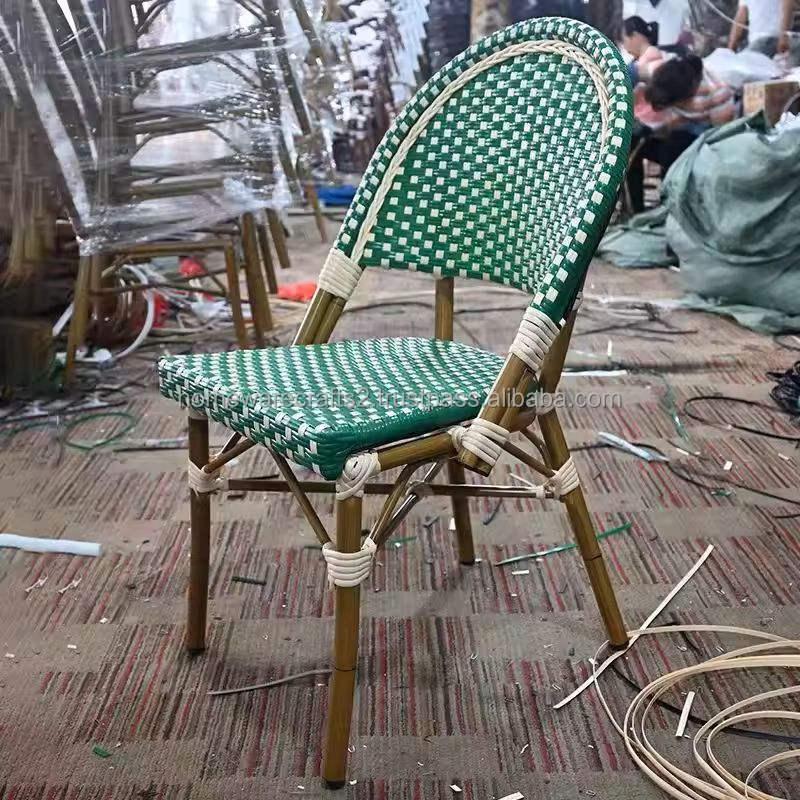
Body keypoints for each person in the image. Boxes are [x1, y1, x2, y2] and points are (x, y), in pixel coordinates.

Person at [626, 55, 735, 212]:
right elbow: (629, 72)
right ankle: (636, 209)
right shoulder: (662, 72)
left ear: (684, 98)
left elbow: (719, 140)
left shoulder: (717, 93)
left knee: (673, 148)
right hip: (669, 130)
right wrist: (647, 127)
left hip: (702, 137)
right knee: (631, 142)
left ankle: (671, 205)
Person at [728, 0, 795, 56]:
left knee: (744, 63)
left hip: (772, 37)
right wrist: (731, 48)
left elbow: (787, 7)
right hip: (755, 41)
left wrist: (783, 37)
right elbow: (740, 18)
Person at [622, 16, 666, 84]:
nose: (624, 47)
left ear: (635, 35)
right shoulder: (638, 61)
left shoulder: (652, 56)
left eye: (623, 41)